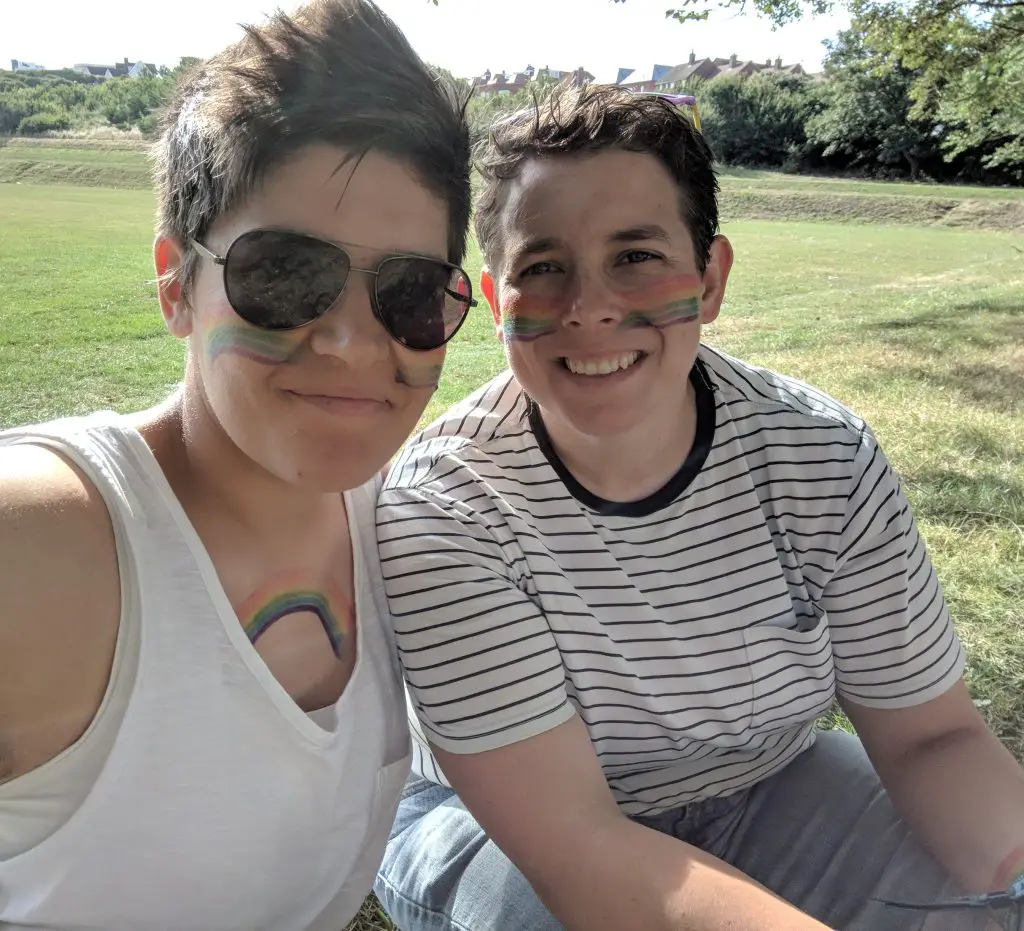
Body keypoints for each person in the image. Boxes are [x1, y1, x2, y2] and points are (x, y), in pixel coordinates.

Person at [373, 84, 1024, 931]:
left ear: (710, 279)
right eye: (542, 267)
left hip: (767, 777)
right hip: (498, 826)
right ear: (497, 304)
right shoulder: (447, 508)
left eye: (636, 255)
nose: (591, 305)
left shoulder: (822, 456)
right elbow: (576, 844)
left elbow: (930, 739)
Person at [0, 2, 474, 928]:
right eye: (287, 274)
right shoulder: (40, 544)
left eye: (410, 291)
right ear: (178, 283)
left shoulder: (406, 534)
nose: (349, 341)